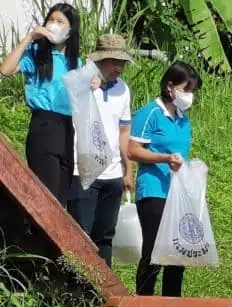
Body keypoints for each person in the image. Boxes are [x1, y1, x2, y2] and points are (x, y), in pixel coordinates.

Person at [127, 61, 201, 297]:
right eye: (186, 89)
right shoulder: (150, 113)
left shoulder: (183, 119)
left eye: (192, 92)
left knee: (178, 254)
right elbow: (133, 150)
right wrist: (163, 157)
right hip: (153, 190)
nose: (189, 96)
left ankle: (172, 304)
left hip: (177, 193)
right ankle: (145, 302)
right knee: (154, 251)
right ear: (171, 87)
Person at [0, 3, 81, 205]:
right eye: (51, 20)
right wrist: (29, 38)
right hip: (44, 125)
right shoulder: (36, 54)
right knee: (47, 195)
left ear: (70, 30)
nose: (53, 25)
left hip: (68, 129)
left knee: (62, 196)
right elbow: (6, 70)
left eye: (60, 21)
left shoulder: (77, 63)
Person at [66, 34, 134, 267]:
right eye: (113, 61)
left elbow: (124, 131)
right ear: (99, 59)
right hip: (83, 170)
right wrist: (88, 87)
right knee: (80, 234)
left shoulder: (123, 90)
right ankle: (77, 292)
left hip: (113, 172)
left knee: (105, 236)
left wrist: (128, 169)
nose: (118, 68)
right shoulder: (79, 81)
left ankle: (102, 293)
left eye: (122, 62)